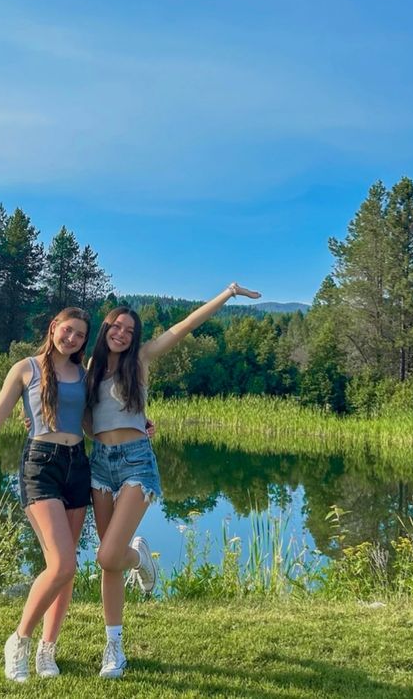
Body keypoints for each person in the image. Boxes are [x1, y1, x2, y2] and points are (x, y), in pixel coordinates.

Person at [88, 281, 261, 679]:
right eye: (116, 326)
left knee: (108, 555)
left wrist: (228, 293)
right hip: (98, 465)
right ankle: (113, 643)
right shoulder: (88, 372)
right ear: (105, 328)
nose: (122, 334)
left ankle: (139, 563)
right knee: (109, 564)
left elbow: (182, 327)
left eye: (130, 330)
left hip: (135, 462)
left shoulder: (141, 361)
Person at [0, 307, 91, 683]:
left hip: (78, 466)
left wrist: (140, 425)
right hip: (41, 466)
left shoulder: (84, 374)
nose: (71, 339)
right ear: (54, 327)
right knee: (62, 564)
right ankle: (20, 640)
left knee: (66, 570)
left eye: (79, 336)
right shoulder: (27, 368)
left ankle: (47, 650)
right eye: (67, 330)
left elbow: (95, 422)